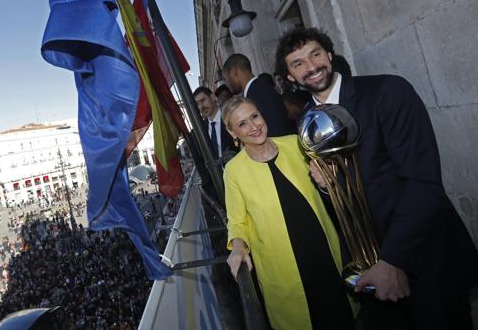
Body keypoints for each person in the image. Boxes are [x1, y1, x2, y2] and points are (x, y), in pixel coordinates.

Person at [275, 27, 478, 329]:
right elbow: (348, 195)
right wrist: (327, 187)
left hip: (426, 256)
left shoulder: (387, 91)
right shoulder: (305, 122)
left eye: (315, 54)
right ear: (291, 77)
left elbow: (422, 182)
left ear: (329, 55)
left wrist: (394, 260)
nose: (312, 66)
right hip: (372, 267)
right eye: (298, 63)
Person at [223, 96, 356, 330]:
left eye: (254, 116)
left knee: (340, 315)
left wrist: (326, 184)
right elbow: (237, 221)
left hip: (323, 252)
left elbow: (330, 192)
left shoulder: (296, 143)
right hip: (283, 270)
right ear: (232, 132)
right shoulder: (233, 171)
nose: (253, 126)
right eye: (242, 124)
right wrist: (239, 247)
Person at [222, 53, 295, 137]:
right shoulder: (258, 89)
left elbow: (276, 132)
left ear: (234, 72)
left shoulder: (259, 93)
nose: (226, 84)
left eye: (225, 79)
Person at [193, 86, 240, 163]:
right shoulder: (200, 130)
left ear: (212, 97)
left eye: (203, 100)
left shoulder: (231, 118)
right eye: (198, 104)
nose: (201, 106)